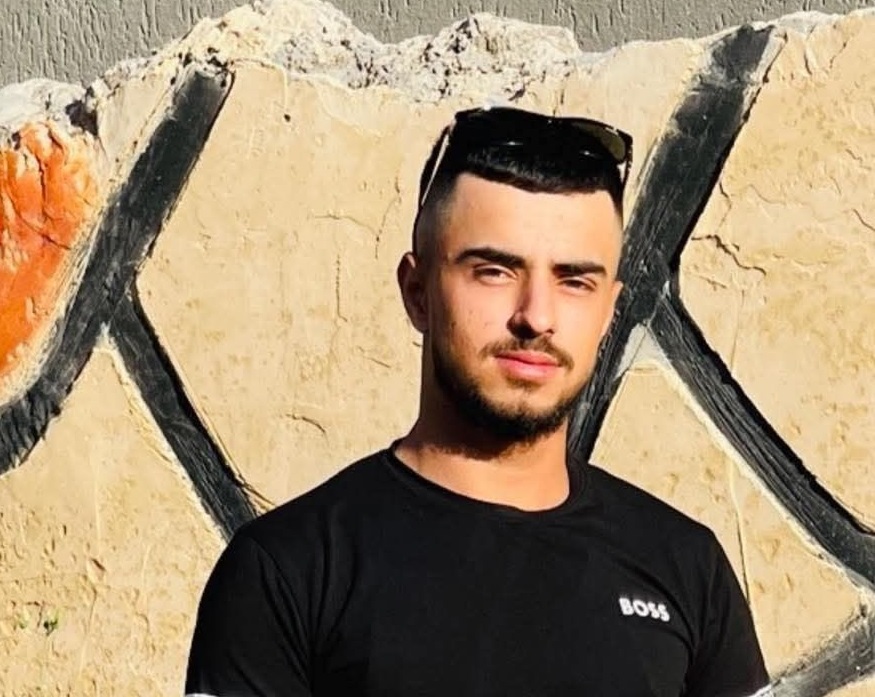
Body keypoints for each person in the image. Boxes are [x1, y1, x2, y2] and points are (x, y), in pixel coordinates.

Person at [185, 106, 770, 697]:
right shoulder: (288, 571)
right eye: (494, 271)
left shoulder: (688, 568)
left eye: (574, 281)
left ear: (608, 312)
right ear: (417, 292)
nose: (536, 317)